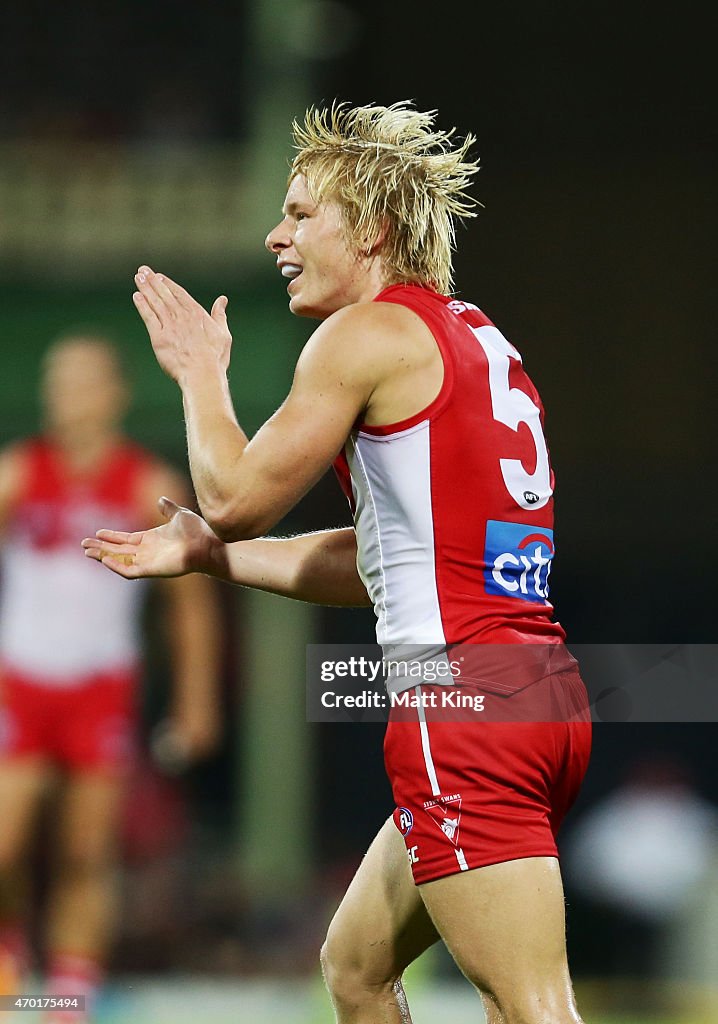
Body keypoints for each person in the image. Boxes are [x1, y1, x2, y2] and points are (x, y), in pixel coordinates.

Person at [83, 102, 592, 1024]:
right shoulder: (470, 336)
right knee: (355, 969)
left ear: (375, 230)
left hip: (461, 707)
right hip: (535, 695)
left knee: (532, 1008)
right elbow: (381, 567)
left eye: (303, 212)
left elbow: (236, 495)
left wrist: (203, 375)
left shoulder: (363, 335)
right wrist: (209, 556)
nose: (278, 235)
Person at [0, 334, 223, 1023]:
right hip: (21, 683)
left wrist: (196, 701)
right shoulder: (15, 473)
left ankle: (66, 997)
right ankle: (11, 962)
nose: (64, 395)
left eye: (80, 381)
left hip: (100, 690)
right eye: (54, 380)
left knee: (84, 854)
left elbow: (190, 604)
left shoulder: (146, 486)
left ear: (114, 395)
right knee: (5, 841)